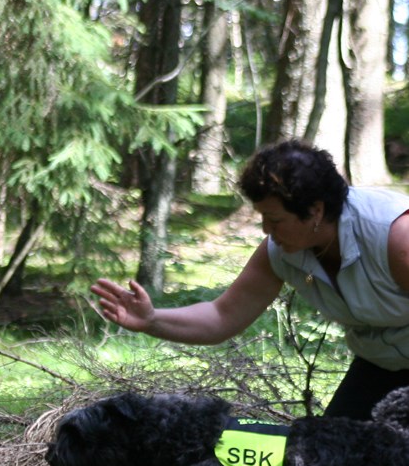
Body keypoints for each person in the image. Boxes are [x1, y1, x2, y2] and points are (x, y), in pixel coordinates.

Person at [92, 138, 409, 420]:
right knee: (335, 460)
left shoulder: (394, 236)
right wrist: (151, 320)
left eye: (274, 219)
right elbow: (222, 316)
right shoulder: (282, 251)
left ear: (315, 210)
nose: (266, 231)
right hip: (380, 362)